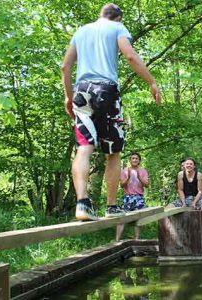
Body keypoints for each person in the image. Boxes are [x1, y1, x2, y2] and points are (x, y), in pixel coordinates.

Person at [61, 3, 161, 221]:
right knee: (113, 152)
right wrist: (152, 82)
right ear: (118, 18)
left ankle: (82, 203)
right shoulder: (117, 28)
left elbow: (65, 67)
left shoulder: (81, 31)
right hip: (105, 91)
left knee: (84, 147)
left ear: (100, 15)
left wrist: (69, 96)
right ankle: (111, 206)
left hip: (81, 91)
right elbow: (130, 56)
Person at [173, 158, 202, 236]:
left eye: (191, 164)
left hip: (197, 198)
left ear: (194, 166)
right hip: (184, 198)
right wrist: (183, 203)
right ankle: (175, 232)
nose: (189, 165)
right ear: (184, 166)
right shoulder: (180, 174)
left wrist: (194, 202)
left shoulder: (199, 175)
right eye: (187, 164)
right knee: (168, 209)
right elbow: (180, 190)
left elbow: (200, 191)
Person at [116, 152, 149, 241]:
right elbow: (122, 185)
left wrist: (139, 177)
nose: (134, 160)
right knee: (121, 218)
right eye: (133, 158)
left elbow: (147, 185)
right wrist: (128, 177)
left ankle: (137, 239)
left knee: (138, 218)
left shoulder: (143, 171)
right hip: (127, 197)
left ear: (139, 161)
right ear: (130, 160)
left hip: (139, 198)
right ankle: (117, 240)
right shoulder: (125, 171)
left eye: (136, 158)